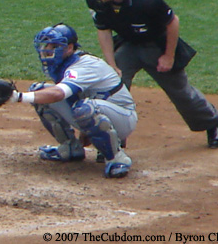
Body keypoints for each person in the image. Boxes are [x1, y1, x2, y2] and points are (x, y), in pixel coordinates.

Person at [85, 0, 218, 149]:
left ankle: (212, 123)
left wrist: (169, 56)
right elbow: (104, 30)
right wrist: (111, 64)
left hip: (157, 45)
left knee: (181, 91)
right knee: (111, 86)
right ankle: (114, 138)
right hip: (128, 45)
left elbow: (172, 22)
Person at [10, 23, 138, 178]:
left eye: (54, 46)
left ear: (69, 48)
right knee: (40, 92)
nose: (47, 50)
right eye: (47, 45)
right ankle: (70, 148)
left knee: (84, 108)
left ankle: (117, 158)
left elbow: (58, 94)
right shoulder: (63, 63)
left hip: (122, 117)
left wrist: (18, 97)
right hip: (95, 108)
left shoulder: (84, 65)